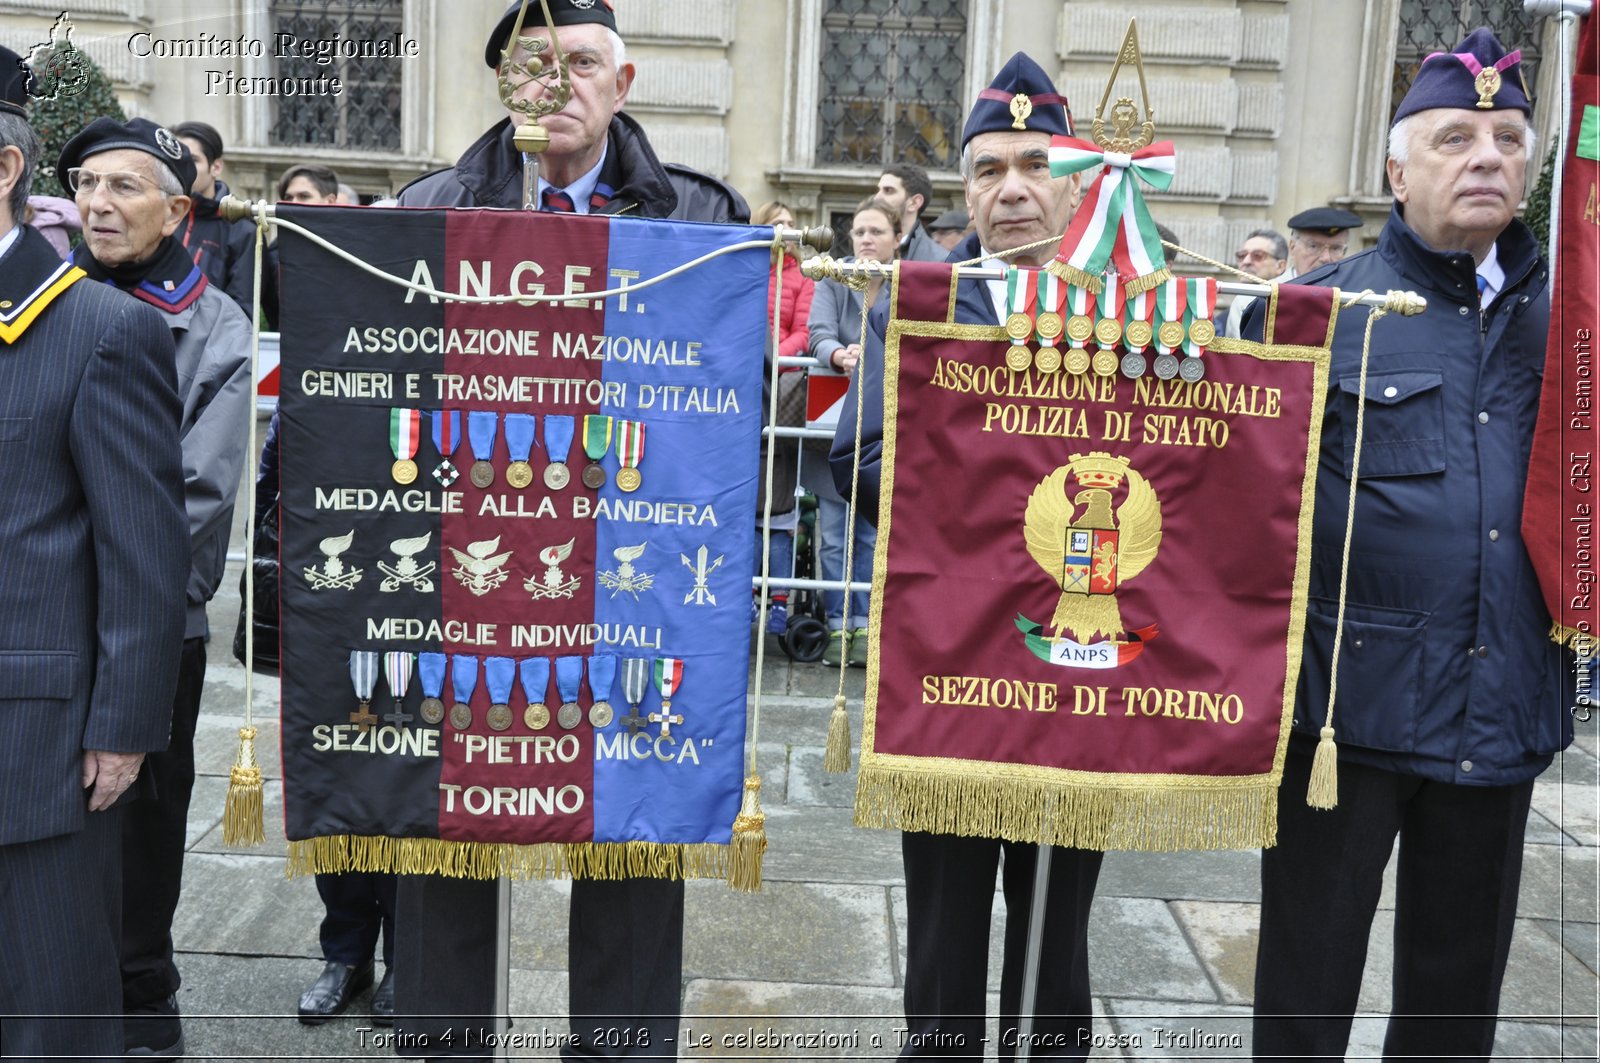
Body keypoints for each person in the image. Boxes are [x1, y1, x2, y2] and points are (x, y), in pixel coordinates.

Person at [392, 2, 747, 1059]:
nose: (557, 81)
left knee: (636, 817)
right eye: (532, 63)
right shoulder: (425, 209)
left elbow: (724, 404)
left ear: (623, 82)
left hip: (634, 566)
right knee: (445, 826)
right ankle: (443, 1044)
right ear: (505, 81)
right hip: (465, 554)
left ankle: (621, 1048)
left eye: (581, 62)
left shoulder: (697, 215)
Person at [1247, 29, 1568, 1061]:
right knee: (1304, 988)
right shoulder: (1314, 313)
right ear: (1395, 168)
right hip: (1344, 715)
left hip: (1502, 703)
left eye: (1508, 137)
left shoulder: (1569, 331)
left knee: (1452, 1006)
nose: (1486, 156)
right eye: (1453, 137)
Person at [831, 53, 1101, 1059]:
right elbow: (851, 455)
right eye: (990, 170)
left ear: (1073, 183)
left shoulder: (1128, 309)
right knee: (943, 905)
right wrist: (1001, 507)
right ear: (965, 191)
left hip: (1081, 662)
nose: (1014, 189)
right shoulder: (918, 298)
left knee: (1056, 909)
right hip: (947, 658)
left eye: (1036, 165)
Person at [0, 56, 190, 1061]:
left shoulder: (99, 330)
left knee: (47, 1024)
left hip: (30, 745)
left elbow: (142, 553)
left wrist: (122, 727)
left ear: (3, 168)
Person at [56, 115, 254, 1059]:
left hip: (149, 625)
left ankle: (142, 1000)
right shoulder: (41, 302)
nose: (98, 203)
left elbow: (195, 494)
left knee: (141, 826)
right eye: (88, 183)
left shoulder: (214, 327)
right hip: (44, 624)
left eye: (124, 187)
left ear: (178, 209)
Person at [805, 196, 896, 668]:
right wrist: (840, 355)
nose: (865, 239)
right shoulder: (834, 276)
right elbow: (817, 333)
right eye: (858, 231)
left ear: (895, 239)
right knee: (834, 536)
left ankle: (868, 627)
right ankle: (840, 626)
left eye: (876, 231)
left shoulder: (907, 281)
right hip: (834, 423)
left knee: (872, 532)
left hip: (884, 428)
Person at [749, 200, 814, 637]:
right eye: (778, 223)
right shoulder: (748, 271)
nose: (787, 229)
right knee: (749, 502)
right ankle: (745, 595)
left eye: (792, 223)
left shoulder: (804, 276)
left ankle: (776, 601)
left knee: (781, 501)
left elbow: (805, 330)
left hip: (785, 387)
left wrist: (775, 357)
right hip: (746, 387)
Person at [170, 119, 258, 317]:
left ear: (216, 167)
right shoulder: (159, 216)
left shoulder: (240, 228)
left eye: (193, 160)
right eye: (177, 159)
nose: (182, 167)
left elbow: (241, 311)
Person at [1223, 228, 1289, 338]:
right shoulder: (1221, 320)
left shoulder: (1289, 306)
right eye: (1242, 255)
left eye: (1257, 256)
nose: (1246, 262)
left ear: (1280, 266)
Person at [877, 162, 944, 262]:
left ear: (914, 203)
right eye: (878, 190)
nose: (876, 198)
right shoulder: (865, 246)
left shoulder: (939, 261)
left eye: (888, 190)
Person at [1285, 204, 1363, 278]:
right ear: (1292, 248)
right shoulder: (1275, 290)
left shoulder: (1352, 291)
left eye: (1335, 248)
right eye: (1314, 246)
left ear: (1344, 252)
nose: (1326, 258)